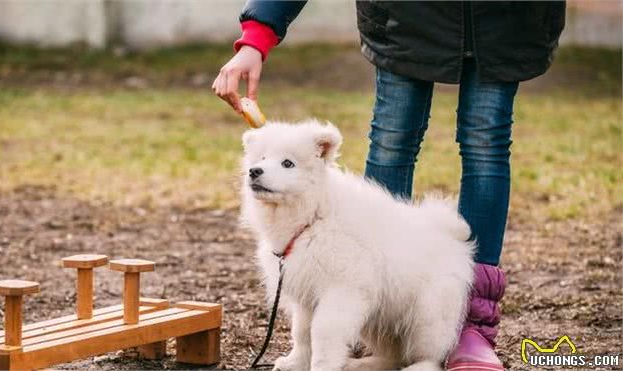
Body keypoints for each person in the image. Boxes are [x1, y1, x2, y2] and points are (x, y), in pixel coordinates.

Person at [213, 1, 565, 370]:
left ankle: (472, 324)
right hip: (407, 17)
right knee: (392, 143)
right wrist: (257, 36)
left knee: (485, 144)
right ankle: (365, 321)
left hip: (505, 18)